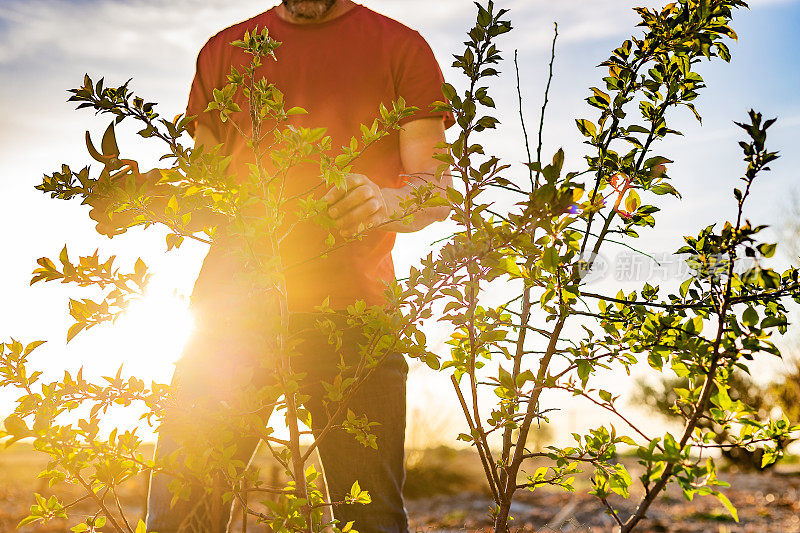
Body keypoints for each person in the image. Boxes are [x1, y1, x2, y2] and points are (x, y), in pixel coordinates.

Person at [91, 1, 454, 531]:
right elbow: (209, 192)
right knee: (181, 514)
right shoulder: (222, 51)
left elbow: (436, 189)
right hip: (229, 318)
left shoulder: (401, 47)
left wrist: (385, 201)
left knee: (370, 520)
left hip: (355, 320)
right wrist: (145, 198)